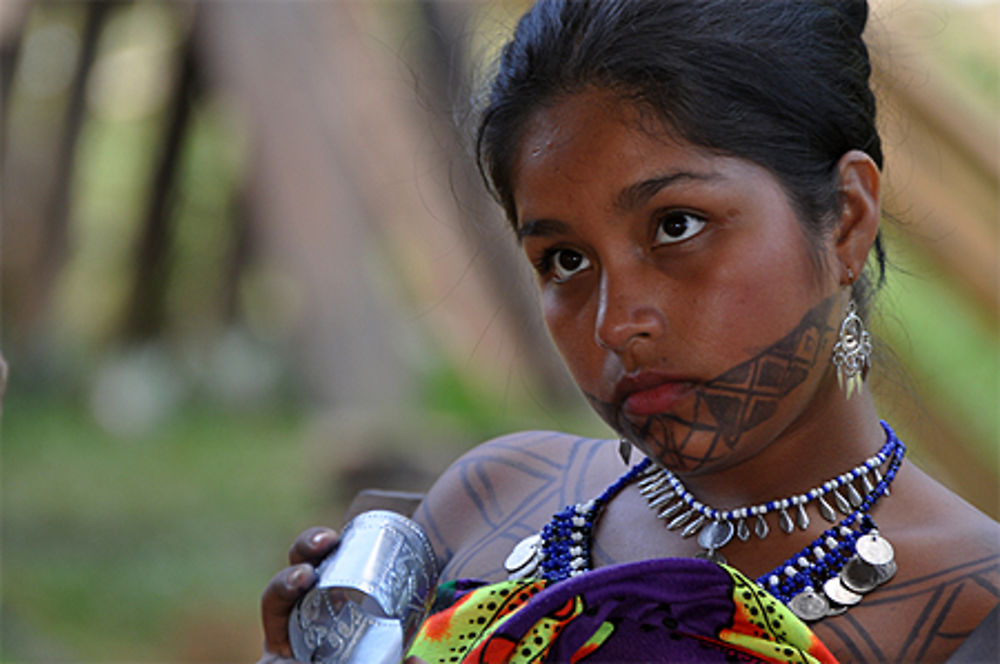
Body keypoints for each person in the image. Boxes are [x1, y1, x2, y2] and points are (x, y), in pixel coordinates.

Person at [258, 1, 999, 662]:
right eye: (565, 260)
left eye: (677, 226)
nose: (617, 323)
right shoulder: (487, 500)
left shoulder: (972, 608)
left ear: (846, 217)